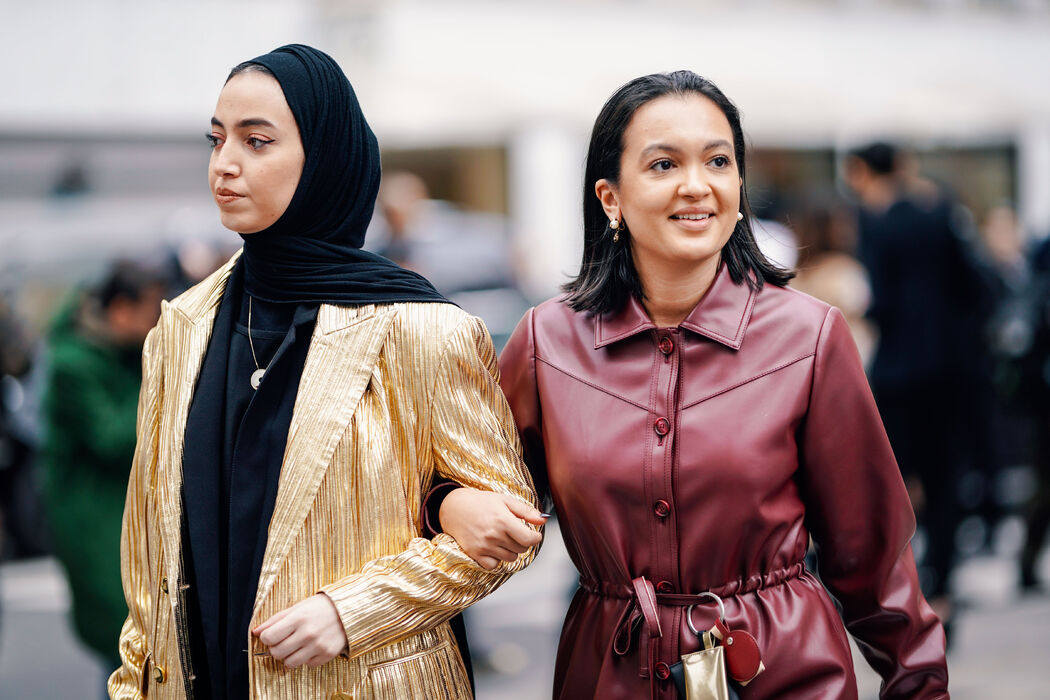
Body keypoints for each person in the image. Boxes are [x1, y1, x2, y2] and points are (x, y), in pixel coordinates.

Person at [437, 72, 949, 698]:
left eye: (718, 160)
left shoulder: (809, 336)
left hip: (781, 670)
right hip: (610, 672)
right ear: (610, 197)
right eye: (662, 164)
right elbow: (477, 489)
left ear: (738, 186)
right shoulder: (547, 342)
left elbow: (872, 558)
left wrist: (920, 684)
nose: (696, 184)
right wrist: (449, 503)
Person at [108, 44, 541, 700]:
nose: (224, 165)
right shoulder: (181, 328)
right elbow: (148, 553)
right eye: (217, 139)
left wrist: (354, 611)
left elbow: (511, 533)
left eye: (257, 142)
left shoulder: (417, 328)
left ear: (325, 159)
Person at [844, 143, 995, 633]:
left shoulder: (875, 223)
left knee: (894, 483)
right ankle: (944, 592)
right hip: (951, 371)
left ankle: (899, 590)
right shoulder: (941, 213)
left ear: (866, 171)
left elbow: (880, 300)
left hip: (899, 373)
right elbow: (975, 287)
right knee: (946, 479)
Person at [40, 260, 166, 675]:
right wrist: (160, 375)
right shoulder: (72, 364)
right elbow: (113, 437)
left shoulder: (120, 352)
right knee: (123, 645)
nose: (157, 322)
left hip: (121, 509)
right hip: (93, 516)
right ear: (120, 311)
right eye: (150, 312)